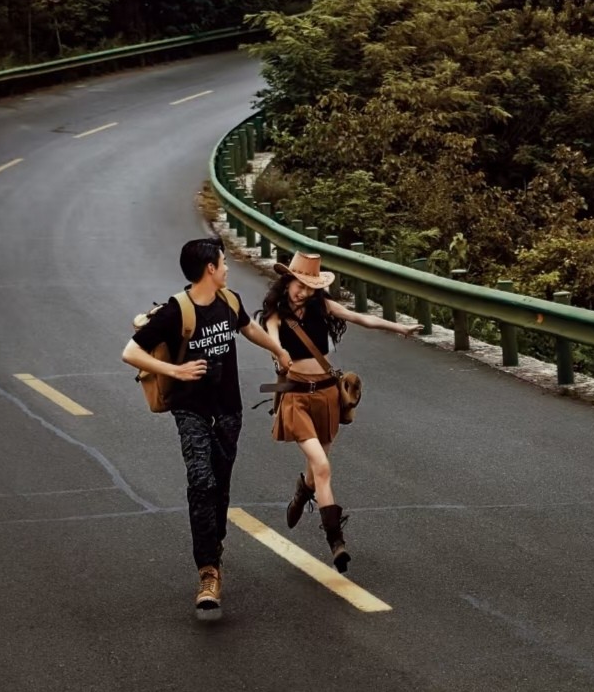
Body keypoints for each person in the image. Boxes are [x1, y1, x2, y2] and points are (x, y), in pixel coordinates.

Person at [122, 237, 292, 620]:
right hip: (191, 412)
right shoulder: (175, 311)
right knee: (202, 483)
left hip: (229, 411)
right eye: (223, 262)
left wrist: (278, 350)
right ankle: (208, 572)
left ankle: (214, 548)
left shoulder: (229, 301)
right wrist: (176, 370)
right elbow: (130, 352)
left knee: (220, 488)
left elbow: (248, 328)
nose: (227, 267)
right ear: (209, 269)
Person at [259, 249, 419, 574]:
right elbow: (272, 341)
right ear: (287, 281)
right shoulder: (275, 316)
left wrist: (399, 328)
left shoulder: (322, 306)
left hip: (327, 395)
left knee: (317, 470)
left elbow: (361, 318)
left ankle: (302, 493)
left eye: (309, 288)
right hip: (297, 398)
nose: (303, 293)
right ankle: (337, 542)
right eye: (299, 286)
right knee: (322, 466)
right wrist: (279, 354)